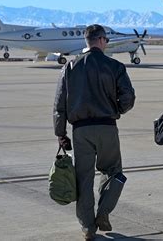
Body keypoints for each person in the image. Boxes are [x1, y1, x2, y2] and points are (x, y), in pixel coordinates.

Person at [53, 24, 135, 240]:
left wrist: (61, 133)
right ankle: (104, 212)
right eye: (106, 40)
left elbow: (59, 104)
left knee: (84, 179)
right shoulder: (115, 66)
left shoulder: (70, 67)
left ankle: (88, 227)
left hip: (81, 130)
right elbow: (128, 98)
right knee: (113, 172)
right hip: (107, 126)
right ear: (100, 40)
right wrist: (116, 110)